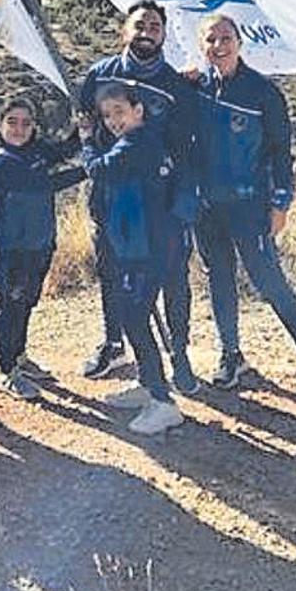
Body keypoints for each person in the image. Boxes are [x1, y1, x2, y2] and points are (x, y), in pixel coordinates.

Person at [193, 14, 296, 397]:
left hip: (249, 206)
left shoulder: (263, 92)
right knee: (219, 280)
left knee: (269, 283)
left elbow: (281, 152)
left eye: (226, 38)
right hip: (207, 208)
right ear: (201, 46)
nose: (219, 45)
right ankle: (230, 355)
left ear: (240, 42)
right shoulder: (195, 87)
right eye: (211, 39)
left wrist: (281, 202)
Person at [79, 0, 200, 395]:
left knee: (173, 280)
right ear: (124, 31)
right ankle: (115, 345)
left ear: (163, 35)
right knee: (114, 274)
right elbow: (84, 124)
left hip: (161, 204)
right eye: (139, 25)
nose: (146, 32)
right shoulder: (100, 75)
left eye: (154, 26)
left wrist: (183, 200)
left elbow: (187, 145)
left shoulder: (176, 84)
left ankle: (178, 354)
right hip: (113, 199)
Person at [80, 84, 184, 435]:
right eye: (107, 115)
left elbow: (99, 169)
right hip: (139, 247)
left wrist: (86, 139)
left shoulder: (137, 143)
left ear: (138, 110)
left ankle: (162, 402)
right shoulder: (140, 141)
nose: (113, 121)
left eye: (119, 111)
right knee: (133, 316)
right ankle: (148, 382)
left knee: (135, 318)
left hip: (146, 250)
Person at [0, 96, 83, 400]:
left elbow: (65, 150)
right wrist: (89, 170)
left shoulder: (36, 151)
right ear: (0, 125)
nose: (19, 128)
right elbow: (44, 184)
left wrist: (82, 127)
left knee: (26, 301)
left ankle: (20, 356)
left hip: (39, 243)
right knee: (9, 307)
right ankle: (7, 370)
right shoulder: (3, 161)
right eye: (12, 122)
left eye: (26, 123)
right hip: (12, 248)